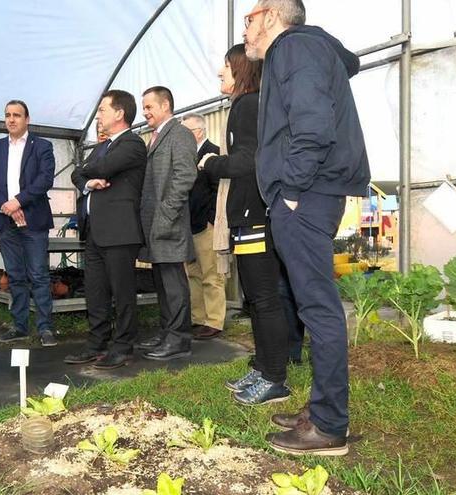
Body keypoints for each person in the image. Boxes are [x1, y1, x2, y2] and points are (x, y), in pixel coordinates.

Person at [244, 0, 371, 456]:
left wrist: (291, 189)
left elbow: (313, 127)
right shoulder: (305, 50)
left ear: (273, 14)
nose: (246, 26)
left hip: (306, 193)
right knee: (307, 301)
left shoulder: (295, 48)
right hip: (311, 192)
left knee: (318, 306)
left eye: (251, 16)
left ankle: (329, 424)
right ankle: (320, 410)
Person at [199, 43, 292, 406]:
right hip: (250, 217)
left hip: (255, 218)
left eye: (225, 66)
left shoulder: (247, 105)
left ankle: (275, 379)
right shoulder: (250, 105)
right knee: (257, 298)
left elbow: (247, 162)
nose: (220, 72)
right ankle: (263, 366)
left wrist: (209, 163)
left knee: (264, 299)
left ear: (241, 69)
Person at [64, 90, 147, 370]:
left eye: (102, 109)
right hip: (95, 231)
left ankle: (123, 346)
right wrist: (88, 181)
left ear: (119, 113)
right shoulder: (100, 147)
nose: (98, 115)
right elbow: (79, 173)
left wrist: (87, 171)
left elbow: (103, 167)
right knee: (95, 290)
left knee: (122, 292)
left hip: (120, 231)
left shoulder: (133, 144)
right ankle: (96, 342)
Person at [0, 100, 57, 347]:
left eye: (17, 115)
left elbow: (44, 179)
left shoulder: (42, 146)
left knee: (39, 275)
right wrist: (7, 206)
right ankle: (20, 326)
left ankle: (45, 328)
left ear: (27, 119)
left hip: (33, 219)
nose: (11, 119)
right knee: (15, 276)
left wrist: (18, 202)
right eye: (7, 115)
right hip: (5, 220)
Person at [136, 86, 198, 361]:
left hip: (168, 225)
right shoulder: (157, 137)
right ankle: (167, 333)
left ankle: (179, 339)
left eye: (149, 107)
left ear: (165, 105)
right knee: (162, 284)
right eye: (144, 107)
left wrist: (165, 215)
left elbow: (185, 177)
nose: (145, 112)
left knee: (174, 285)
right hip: (156, 226)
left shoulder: (180, 134)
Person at [180, 113, 225, 341]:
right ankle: (198, 318)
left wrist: (211, 219)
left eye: (185, 131)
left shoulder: (213, 153)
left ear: (198, 131)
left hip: (206, 226)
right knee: (193, 274)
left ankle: (214, 320)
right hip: (189, 226)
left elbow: (220, 190)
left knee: (211, 274)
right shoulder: (186, 156)